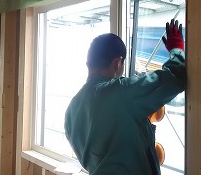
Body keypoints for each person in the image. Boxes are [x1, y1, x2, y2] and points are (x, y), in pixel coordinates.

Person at [64, 19, 186, 175]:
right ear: (117, 62)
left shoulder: (71, 111)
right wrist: (176, 49)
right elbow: (175, 77)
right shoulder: (120, 92)